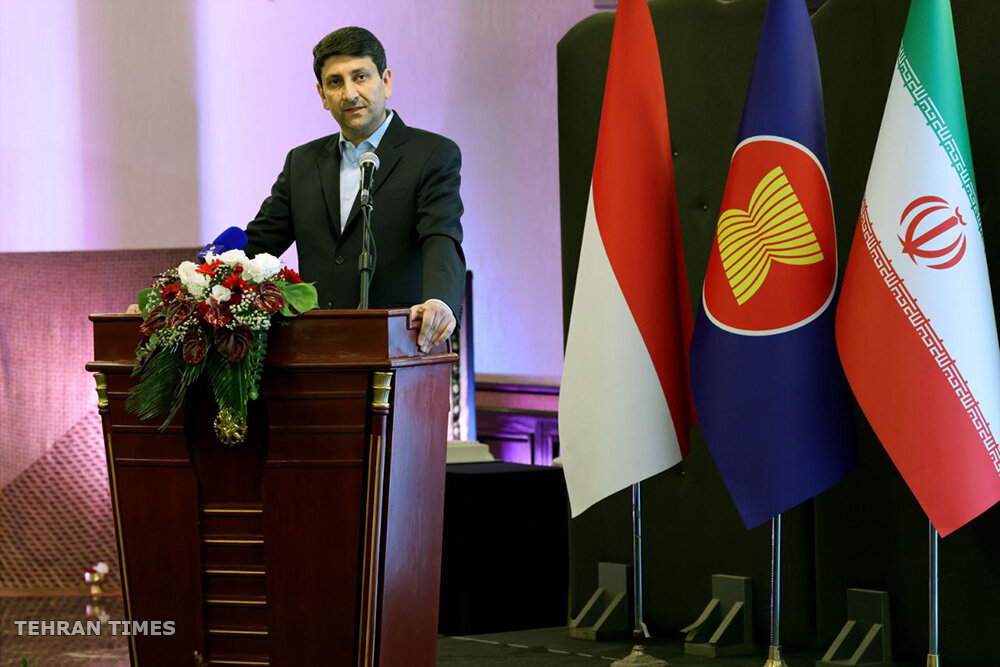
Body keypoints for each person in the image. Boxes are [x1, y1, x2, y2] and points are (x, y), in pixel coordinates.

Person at [242, 26, 465, 352]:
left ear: (386, 81)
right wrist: (193, 285)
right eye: (335, 82)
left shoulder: (431, 154)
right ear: (322, 95)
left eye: (360, 77)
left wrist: (439, 300)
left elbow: (441, 236)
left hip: (402, 347)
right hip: (317, 352)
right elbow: (257, 245)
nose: (349, 93)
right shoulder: (302, 163)